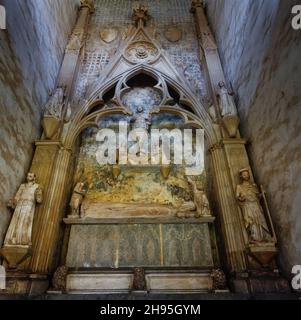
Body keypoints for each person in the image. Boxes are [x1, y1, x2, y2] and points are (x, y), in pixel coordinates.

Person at [4, 172, 42, 246]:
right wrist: (13, 201)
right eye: (28, 175)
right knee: (16, 220)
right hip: (20, 204)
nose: (28, 177)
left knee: (26, 221)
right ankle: (12, 238)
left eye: (30, 176)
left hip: (29, 204)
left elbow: (39, 200)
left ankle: (23, 239)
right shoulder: (22, 186)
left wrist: (39, 193)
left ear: (34, 178)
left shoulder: (37, 186)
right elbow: (17, 196)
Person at [236, 168, 271, 244]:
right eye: (244, 174)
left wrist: (262, 194)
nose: (246, 175)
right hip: (247, 205)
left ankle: (264, 236)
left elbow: (258, 196)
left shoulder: (253, 185)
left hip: (256, 204)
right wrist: (242, 198)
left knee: (260, 219)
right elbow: (237, 197)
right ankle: (254, 237)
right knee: (251, 221)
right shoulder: (239, 186)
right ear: (241, 176)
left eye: (247, 174)